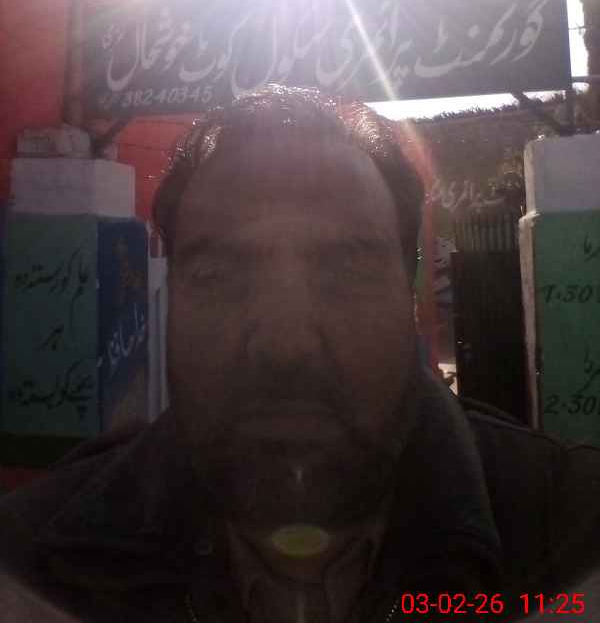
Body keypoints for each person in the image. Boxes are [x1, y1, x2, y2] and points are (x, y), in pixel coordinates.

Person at [1, 85, 600, 622]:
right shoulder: (28, 569)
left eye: (346, 271)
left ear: (409, 292)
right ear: (170, 297)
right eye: (220, 275)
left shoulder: (577, 541)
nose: (286, 346)